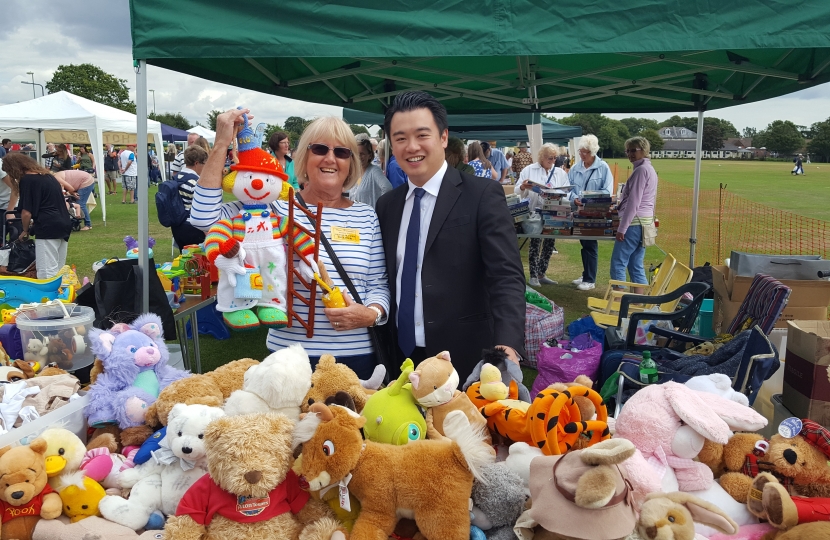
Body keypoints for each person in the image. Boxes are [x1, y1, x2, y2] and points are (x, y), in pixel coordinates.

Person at [190, 110, 390, 380]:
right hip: (289, 355)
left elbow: (378, 283)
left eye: (342, 152)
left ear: (351, 162)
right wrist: (221, 144)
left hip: (357, 354)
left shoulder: (366, 215)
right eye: (320, 149)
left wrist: (371, 313)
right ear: (304, 158)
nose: (331, 158)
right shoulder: (271, 207)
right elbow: (204, 218)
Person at [375, 91, 527, 384]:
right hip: (400, 357)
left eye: (422, 135)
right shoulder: (387, 205)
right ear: (391, 145)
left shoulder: (481, 195)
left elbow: (506, 275)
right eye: (400, 138)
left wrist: (507, 345)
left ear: (443, 137)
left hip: (463, 355)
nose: (412, 147)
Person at [0, 154, 72, 279]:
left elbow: (26, 212)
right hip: (64, 223)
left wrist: (25, 230)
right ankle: (60, 295)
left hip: (47, 226)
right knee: (58, 268)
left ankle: (49, 298)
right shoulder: (48, 176)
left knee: (46, 271)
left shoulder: (27, 180)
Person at [516, 143, 570, 287]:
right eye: (549, 158)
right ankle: (533, 275)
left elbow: (567, 192)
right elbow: (517, 190)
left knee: (550, 242)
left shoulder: (560, 172)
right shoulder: (529, 170)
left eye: (554, 158)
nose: (552, 161)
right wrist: (523, 187)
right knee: (535, 241)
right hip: (535, 211)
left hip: (553, 212)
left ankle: (542, 273)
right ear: (541, 157)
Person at [611, 136, 658, 290]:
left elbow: (634, 202)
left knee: (618, 263)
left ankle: (619, 303)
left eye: (633, 150)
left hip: (634, 223)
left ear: (644, 151)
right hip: (644, 223)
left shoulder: (641, 170)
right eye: (628, 151)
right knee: (635, 264)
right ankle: (639, 304)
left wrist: (622, 228)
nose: (629, 154)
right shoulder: (649, 169)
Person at [568, 134, 614, 291]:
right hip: (579, 211)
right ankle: (586, 273)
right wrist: (574, 198)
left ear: (593, 151)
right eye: (581, 151)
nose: (582, 154)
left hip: (595, 212)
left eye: (585, 152)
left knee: (590, 243)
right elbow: (569, 188)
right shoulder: (575, 168)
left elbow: (607, 190)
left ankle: (590, 279)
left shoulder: (603, 168)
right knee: (584, 242)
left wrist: (589, 199)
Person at [171, 145, 208, 250]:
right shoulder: (196, 182)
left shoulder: (176, 178)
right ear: (197, 163)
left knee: (184, 261)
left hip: (177, 226)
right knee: (198, 261)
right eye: (204, 164)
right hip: (194, 227)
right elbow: (201, 208)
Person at [350, 136, 392, 208]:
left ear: (369, 155)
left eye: (362, 154)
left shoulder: (374, 170)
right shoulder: (358, 172)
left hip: (369, 217)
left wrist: (378, 206)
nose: (359, 156)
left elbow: (388, 188)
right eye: (357, 153)